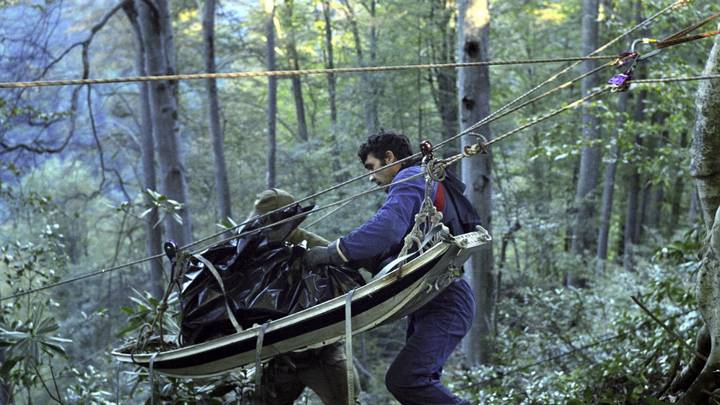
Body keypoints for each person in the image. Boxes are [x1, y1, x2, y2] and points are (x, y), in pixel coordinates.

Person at [303, 131, 476, 405]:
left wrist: (333, 252)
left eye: (371, 167)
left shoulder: (409, 180)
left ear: (390, 158)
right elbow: (396, 245)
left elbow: (386, 228)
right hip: (432, 299)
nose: (371, 177)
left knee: (406, 380)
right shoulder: (423, 180)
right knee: (418, 384)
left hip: (445, 299)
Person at [249, 189, 360, 405]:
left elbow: (348, 277)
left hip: (323, 350)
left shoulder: (315, 245)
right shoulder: (256, 252)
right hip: (281, 354)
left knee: (346, 399)